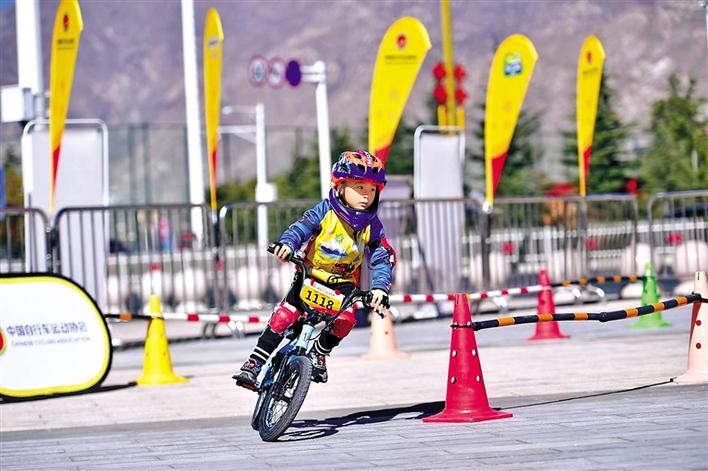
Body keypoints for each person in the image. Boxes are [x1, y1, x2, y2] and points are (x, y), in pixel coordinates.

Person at [234, 150, 396, 388]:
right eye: (359, 187)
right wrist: (287, 245)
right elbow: (301, 228)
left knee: (346, 320)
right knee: (285, 314)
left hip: (343, 284)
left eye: (372, 190)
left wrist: (380, 288)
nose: (366, 195)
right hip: (310, 274)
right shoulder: (325, 210)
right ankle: (254, 363)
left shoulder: (373, 225)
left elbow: (382, 257)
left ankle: (319, 352)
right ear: (340, 186)